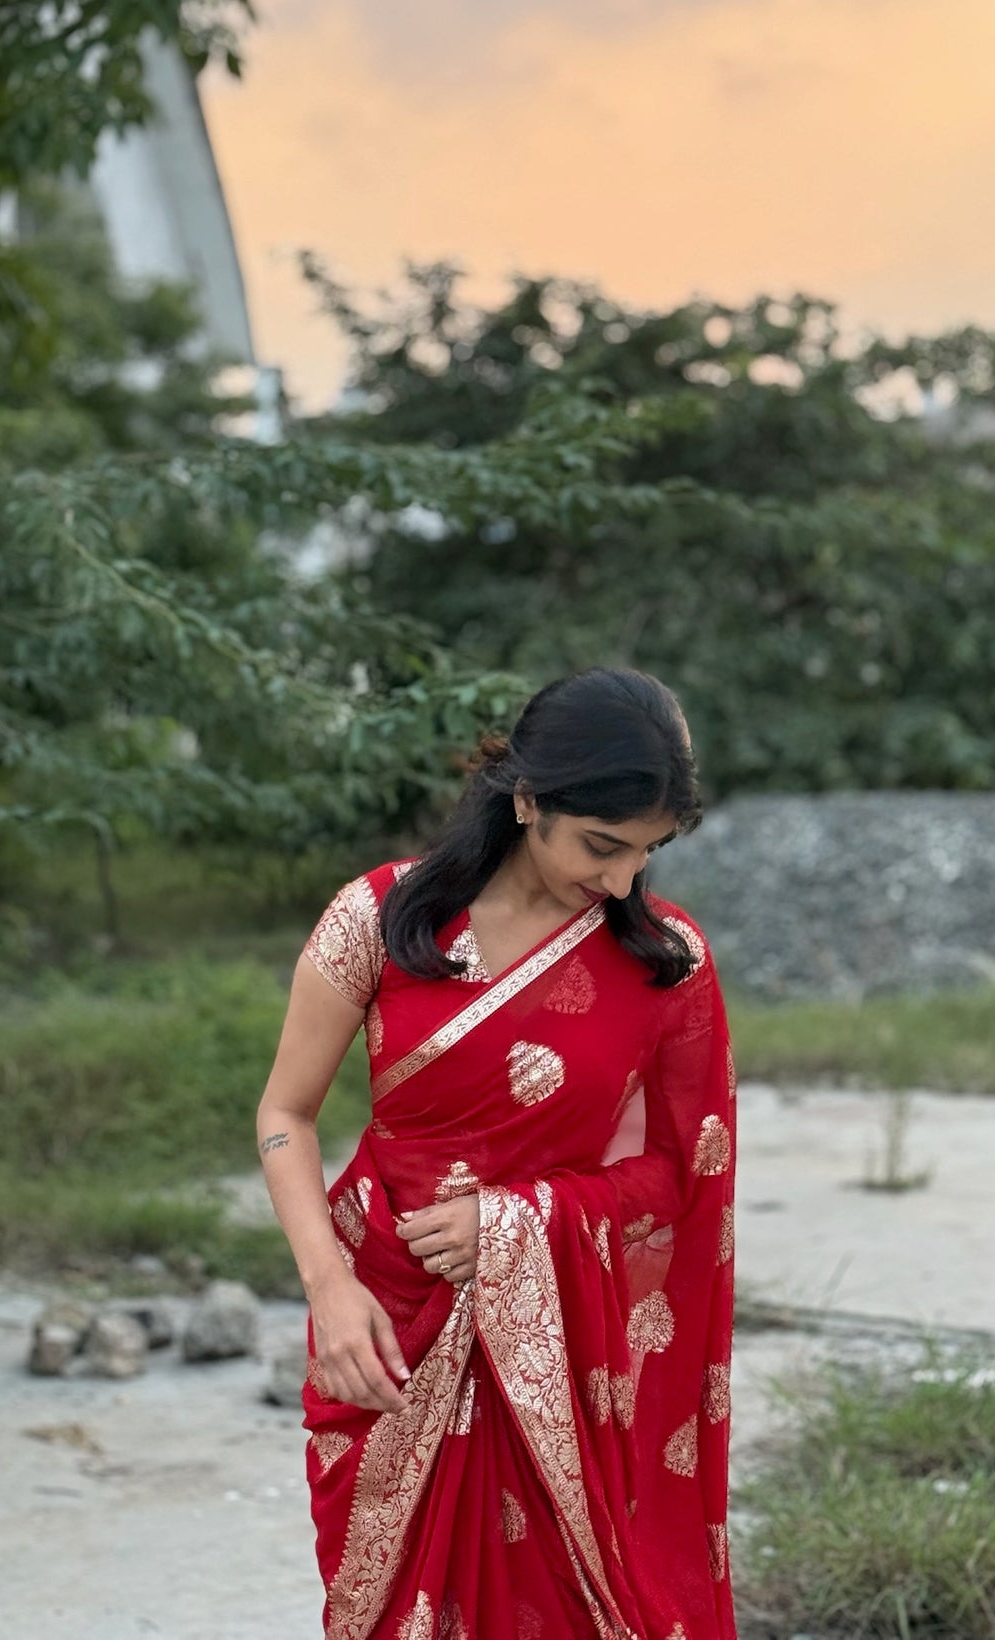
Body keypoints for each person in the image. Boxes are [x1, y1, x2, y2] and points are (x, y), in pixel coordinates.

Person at [257, 668, 737, 1640]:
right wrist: (329, 1291)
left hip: (561, 1347)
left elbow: (682, 1175)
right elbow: (285, 1116)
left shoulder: (664, 959)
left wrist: (518, 1224)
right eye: (601, 845)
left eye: (646, 852)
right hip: (386, 1319)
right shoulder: (383, 919)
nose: (622, 881)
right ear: (526, 800)